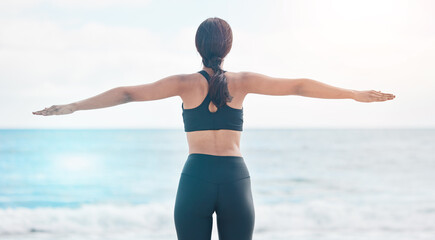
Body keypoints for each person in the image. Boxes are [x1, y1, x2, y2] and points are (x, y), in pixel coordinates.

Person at [33, 17, 395, 240]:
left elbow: (127, 93)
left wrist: (73, 106)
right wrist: (353, 94)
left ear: (198, 46)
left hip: (196, 177)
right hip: (236, 178)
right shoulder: (245, 81)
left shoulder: (183, 83)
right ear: (228, 46)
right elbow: (299, 85)